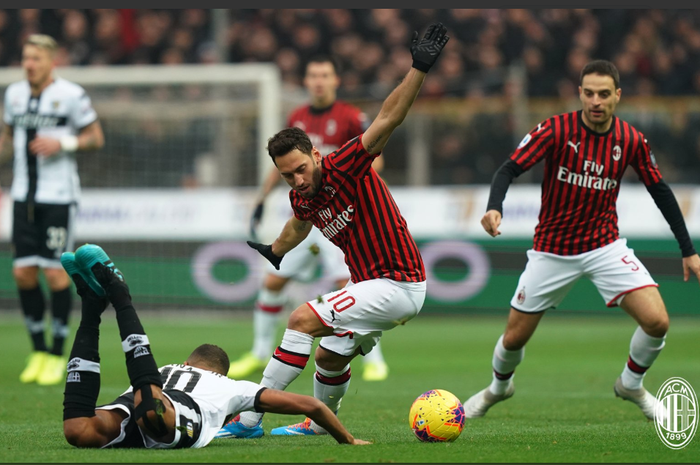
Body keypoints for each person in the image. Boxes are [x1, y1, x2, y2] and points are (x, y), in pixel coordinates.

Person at [217, 22, 448, 439]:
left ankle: (249, 419)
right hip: (376, 284)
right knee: (328, 358)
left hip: (399, 282)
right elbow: (297, 225)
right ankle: (319, 423)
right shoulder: (301, 197)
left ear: (316, 155)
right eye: (287, 176)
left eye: (302, 169)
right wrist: (274, 250)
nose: (298, 181)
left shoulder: (345, 165)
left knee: (301, 318)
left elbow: (389, 117)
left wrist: (419, 67)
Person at [463, 60, 700, 420]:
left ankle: (631, 384)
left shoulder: (631, 140)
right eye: (589, 93)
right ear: (580, 93)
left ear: (617, 96)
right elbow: (508, 168)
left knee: (657, 322)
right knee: (513, 339)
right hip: (551, 251)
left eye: (604, 94)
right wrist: (495, 207)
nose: (596, 101)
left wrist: (688, 251)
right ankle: (499, 388)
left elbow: (661, 192)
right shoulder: (555, 130)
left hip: (605, 246)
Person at [59, 243, 369, 448]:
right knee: (151, 413)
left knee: (78, 430)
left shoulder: (170, 369)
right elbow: (311, 405)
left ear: (189, 362)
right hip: (166, 414)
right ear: (220, 371)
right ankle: (120, 295)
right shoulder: (232, 388)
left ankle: (91, 306)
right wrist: (347, 439)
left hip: (137, 405)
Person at [229, 55, 390, 383]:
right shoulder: (297, 117)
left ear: (335, 80)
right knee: (273, 280)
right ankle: (259, 352)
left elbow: (377, 161)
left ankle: (374, 360)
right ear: (306, 81)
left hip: (340, 218)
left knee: (349, 285)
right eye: (313, 75)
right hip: (306, 218)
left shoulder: (350, 116)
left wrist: (345, 187)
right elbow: (283, 167)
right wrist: (262, 198)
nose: (319, 81)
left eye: (325, 75)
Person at [0, 34, 105, 385]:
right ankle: (38, 351)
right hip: (21, 196)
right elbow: (7, 136)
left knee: (55, 274)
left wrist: (64, 142)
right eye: (26, 58)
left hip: (58, 197)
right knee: (23, 274)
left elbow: (95, 137)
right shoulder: (12, 95)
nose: (29, 64)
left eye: (36, 58)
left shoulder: (71, 95)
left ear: (51, 62)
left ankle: (58, 353)